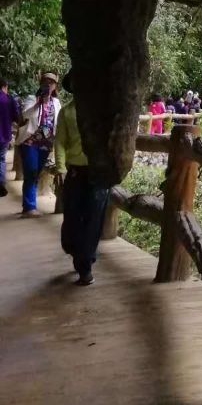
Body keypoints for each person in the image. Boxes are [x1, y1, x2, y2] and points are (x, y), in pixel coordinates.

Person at [55, 73, 110, 285]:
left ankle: (84, 266)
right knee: (72, 216)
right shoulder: (67, 112)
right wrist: (60, 168)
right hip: (75, 171)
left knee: (93, 219)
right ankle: (78, 252)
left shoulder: (101, 111)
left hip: (98, 172)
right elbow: (60, 141)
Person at [16, 71, 61, 215]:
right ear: (41, 82)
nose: (49, 84)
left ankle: (28, 205)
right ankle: (30, 207)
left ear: (55, 86)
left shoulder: (56, 102)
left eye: (52, 82)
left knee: (36, 173)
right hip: (30, 142)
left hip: (46, 143)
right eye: (46, 81)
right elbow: (25, 114)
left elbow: (58, 122)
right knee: (31, 171)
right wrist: (38, 102)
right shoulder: (32, 98)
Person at [0, 78, 19, 198]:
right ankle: (0, 184)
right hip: (4, 135)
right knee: (1, 159)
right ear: (5, 86)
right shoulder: (9, 99)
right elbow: (16, 117)